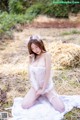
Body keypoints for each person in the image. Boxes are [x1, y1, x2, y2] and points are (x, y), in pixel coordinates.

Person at [21, 35, 65, 113]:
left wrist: (43, 89)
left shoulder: (46, 55)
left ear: (41, 44)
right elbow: (30, 74)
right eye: (32, 49)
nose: (35, 50)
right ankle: (38, 95)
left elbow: (48, 73)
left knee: (61, 108)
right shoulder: (33, 57)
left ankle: (44, 95)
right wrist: (30, 61)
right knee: (24, 105)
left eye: (37, 47)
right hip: (36, 86)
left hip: (46, 86)